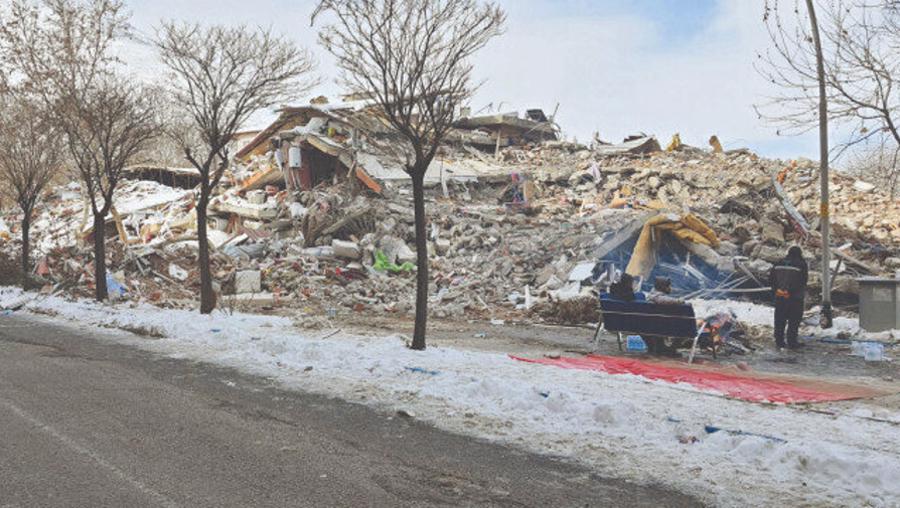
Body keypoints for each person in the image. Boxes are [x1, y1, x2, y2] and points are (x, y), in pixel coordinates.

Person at [769, 246, 809, 350]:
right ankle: (792, 342)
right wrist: (790, 292)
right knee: (794, 321)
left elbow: (771, 279)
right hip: (795, 298)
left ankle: (779, 341)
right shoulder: (801, 264)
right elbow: (802, 281)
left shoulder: (778, 263)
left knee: (779, 320)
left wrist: (777, 290)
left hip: (780, 296)